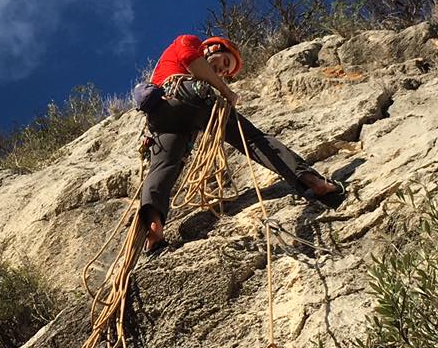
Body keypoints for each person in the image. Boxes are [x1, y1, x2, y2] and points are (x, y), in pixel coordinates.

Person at [138, 34, 345, 253]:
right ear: (212, 47)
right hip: (189, 96)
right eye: (225, 62)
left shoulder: (163, 71)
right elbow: (192, 60)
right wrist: (226, 91)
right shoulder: (188, 41)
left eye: (225, 72)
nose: (221, 71)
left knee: (163, 167)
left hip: (161, 116)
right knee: (253, 139)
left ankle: (154, 229)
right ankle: (314, 182)